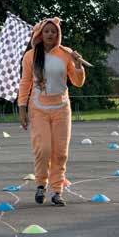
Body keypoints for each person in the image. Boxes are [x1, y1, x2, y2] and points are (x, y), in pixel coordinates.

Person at [18, 17, 86, 206]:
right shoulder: (31, 56)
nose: (50, 34)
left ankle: (57, 191)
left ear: (58, 34)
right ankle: (41, 184)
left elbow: (78, 82)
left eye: (53, 31)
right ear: (40, 34)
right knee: (44, 149)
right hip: (38, 109)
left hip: (62, 109)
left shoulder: (66, 54)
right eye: (47, 31)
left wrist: (78, 65)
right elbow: (25, 83)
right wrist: (21, 108)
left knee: (60, 152)